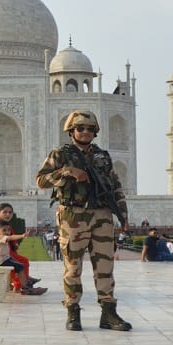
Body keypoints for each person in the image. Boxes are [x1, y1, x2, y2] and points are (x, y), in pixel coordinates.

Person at [36, 110, 132, 332]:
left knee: (105, 266)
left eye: (90, 129)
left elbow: (115, 187)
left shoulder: (102, 156)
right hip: (73, 215)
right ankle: (73, 312)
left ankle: (108, 313)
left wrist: (123, 217)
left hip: (102, 215)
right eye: (80, 128)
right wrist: (67, 172)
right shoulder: (60, 154)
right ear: (71, 131)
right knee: (73, 267)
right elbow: (41, 180)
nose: (85, 132)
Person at [0, 220, 47, 295]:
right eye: (4, 230)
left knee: (19, 264)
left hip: (4, 260)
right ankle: (25, 288)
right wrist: (22, 236)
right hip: (0, 262)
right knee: (20, 267)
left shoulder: (1, 238)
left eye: (8, 230)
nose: (7, 232)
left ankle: (26, 283)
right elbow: (11, 237)